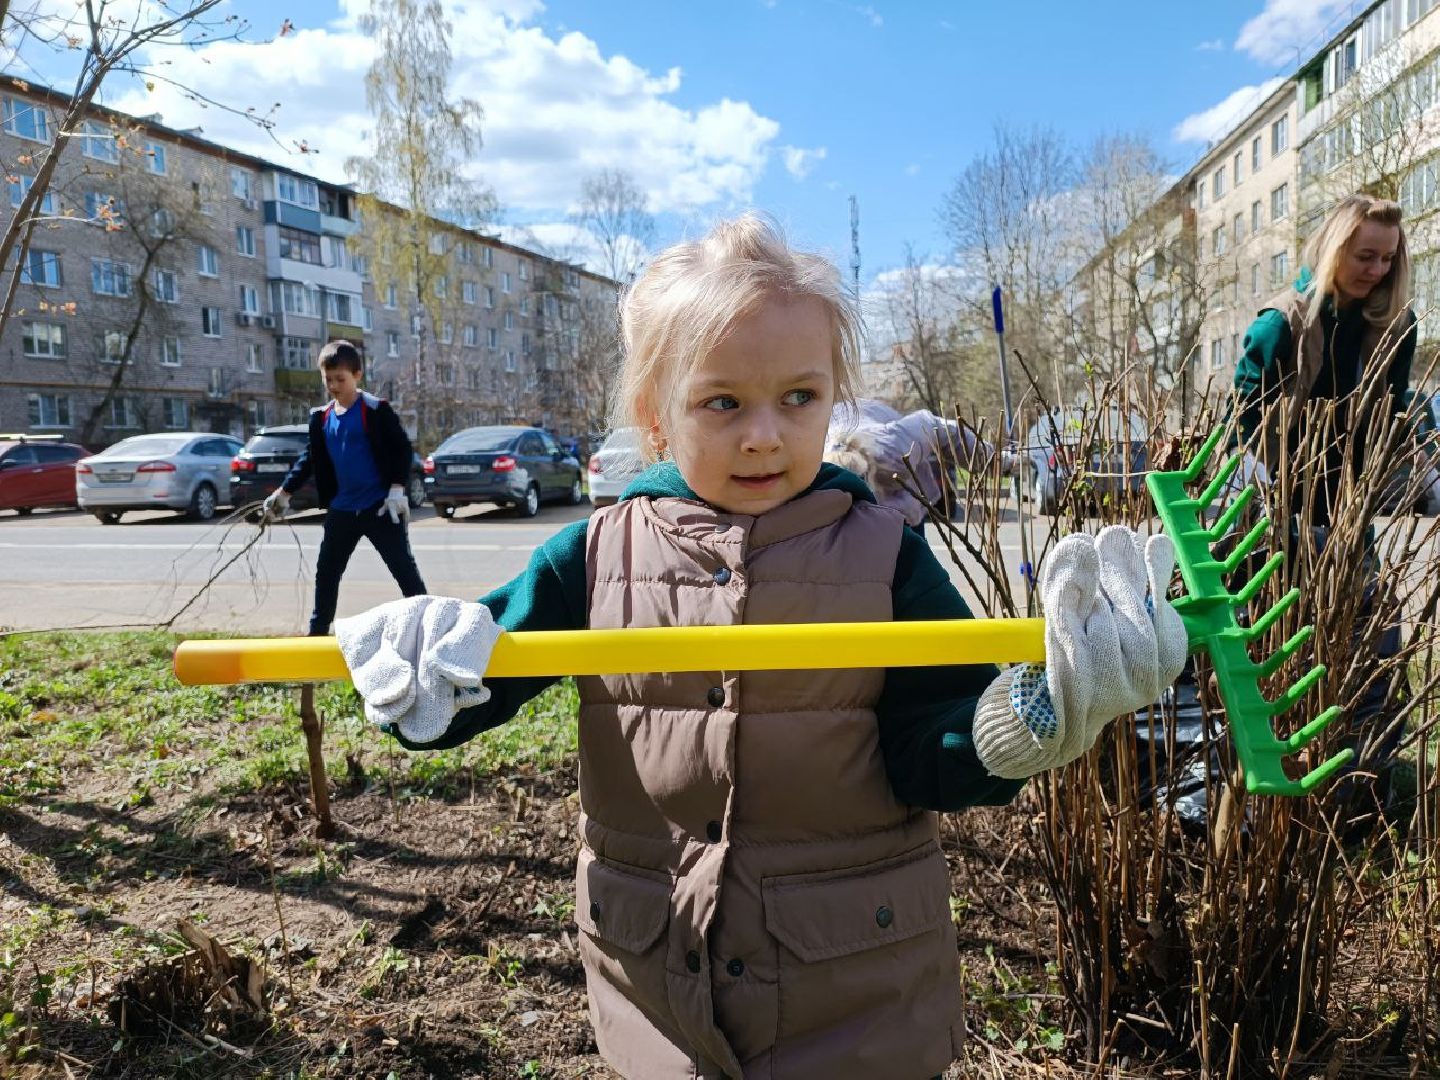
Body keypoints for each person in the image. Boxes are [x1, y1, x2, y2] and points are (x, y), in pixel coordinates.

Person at [332, 215, 1187, 1079]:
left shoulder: (884, 552)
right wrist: (422, 672)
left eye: (799, 398)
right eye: (723, 402)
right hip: (659, 992)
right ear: (655, 414)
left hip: (859, 1001)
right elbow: (469, 685)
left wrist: (1031, 716)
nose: (765, 435)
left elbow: (937, 751)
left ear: (833, 395)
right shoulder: (591, 557)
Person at [1233, 193, 1416, 816]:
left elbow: (1386, 420)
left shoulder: (1393, 328)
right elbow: (1241, 429)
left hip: (1349, 520)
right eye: (1364, 256)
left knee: (1369, 647)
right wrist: (1277, 506)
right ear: (1335, 247)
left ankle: (1362, 792)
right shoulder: (1281, 325)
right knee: (1286, 655)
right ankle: (1278, 799)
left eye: (1388, 259)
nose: (1376, 270)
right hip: (1280, 519)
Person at [262, 339, 427, 636]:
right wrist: (283, 493)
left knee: (403, 569)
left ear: (357, 376)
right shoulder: (321, 417)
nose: (334, 385)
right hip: (342, 510)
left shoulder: (376, 410)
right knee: (327, 573)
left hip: (380, 507)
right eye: (328, 379)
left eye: (341, 379)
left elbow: (402, 449)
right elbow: (310, 458)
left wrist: (396, 489)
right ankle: (317, 632)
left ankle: (430, 627)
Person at [825, 401, 1014, 534]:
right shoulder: (811, 468)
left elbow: (940, 429)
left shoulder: (893, 448)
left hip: (906, 507)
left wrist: (997, 463)